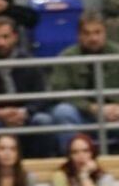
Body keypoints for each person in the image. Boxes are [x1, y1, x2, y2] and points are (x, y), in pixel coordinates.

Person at [0, 15, 56, 160]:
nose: (0, 42)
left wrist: (25, 112)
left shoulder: (29, 62)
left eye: (5, 37)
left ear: (15, 37)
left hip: (25, 116)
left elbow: (42, 96)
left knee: (43, 120)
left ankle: (38, 164)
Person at [50, 10, 119, 147]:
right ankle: (74, 157)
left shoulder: (116, 54)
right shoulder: (67, 57)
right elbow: (60, 91)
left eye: (97, 32)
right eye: (87, 33)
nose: (93, 38)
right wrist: (92, 108)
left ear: (105, 33)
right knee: (62, 112)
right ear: (78, 35)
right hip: (82, 114)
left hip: (114, 112)